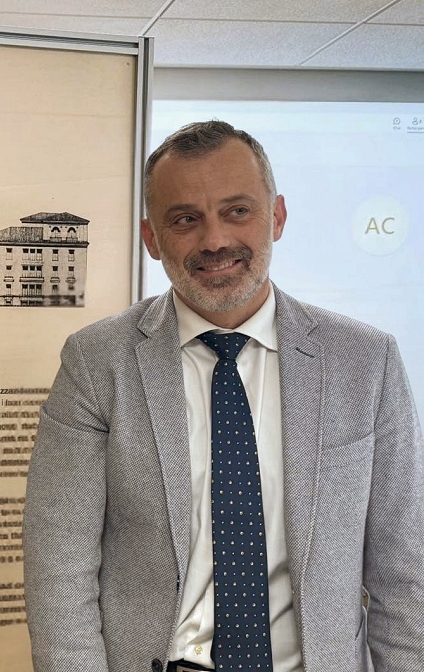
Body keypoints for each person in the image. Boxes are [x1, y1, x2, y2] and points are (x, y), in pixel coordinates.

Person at [23, 120, 424, 671]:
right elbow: (59, 571)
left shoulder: (365, 361)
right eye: (185, 219)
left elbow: (406, 574)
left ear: (277, 217)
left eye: (237, 211)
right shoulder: (97, 363)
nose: (214, 241)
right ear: (151, 238)